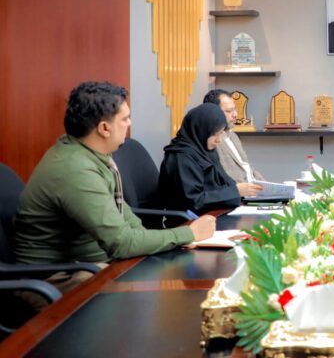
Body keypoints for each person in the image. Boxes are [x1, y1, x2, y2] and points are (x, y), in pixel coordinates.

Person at [14, 82, 215, 276]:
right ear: (104, 128)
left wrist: (169, 239)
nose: (130, 123)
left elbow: (127, 219)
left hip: (93, 265)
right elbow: (121, 243)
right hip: (60, 277)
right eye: (125, 118)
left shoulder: (93, 155)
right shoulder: (76, 169)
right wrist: (188, 234)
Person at [157, 103, 262, 213]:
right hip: (191, 219)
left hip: (214, 213)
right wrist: (235, 192)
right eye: (215, 134)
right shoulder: (181, 157)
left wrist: (242, 190)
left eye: (221, 133)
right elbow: (194, 201)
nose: (218, 140)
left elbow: (223, 182)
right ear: (201, 131)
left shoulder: (205, 150)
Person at [203, 89, 266, 184]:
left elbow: (246, 166)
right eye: (229, 111)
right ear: (213, 112)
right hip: (237, 190)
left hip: (254, 188)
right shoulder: (210, 139)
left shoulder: (233, 136)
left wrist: (266, 185)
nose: (235, 114)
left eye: (235, 109)